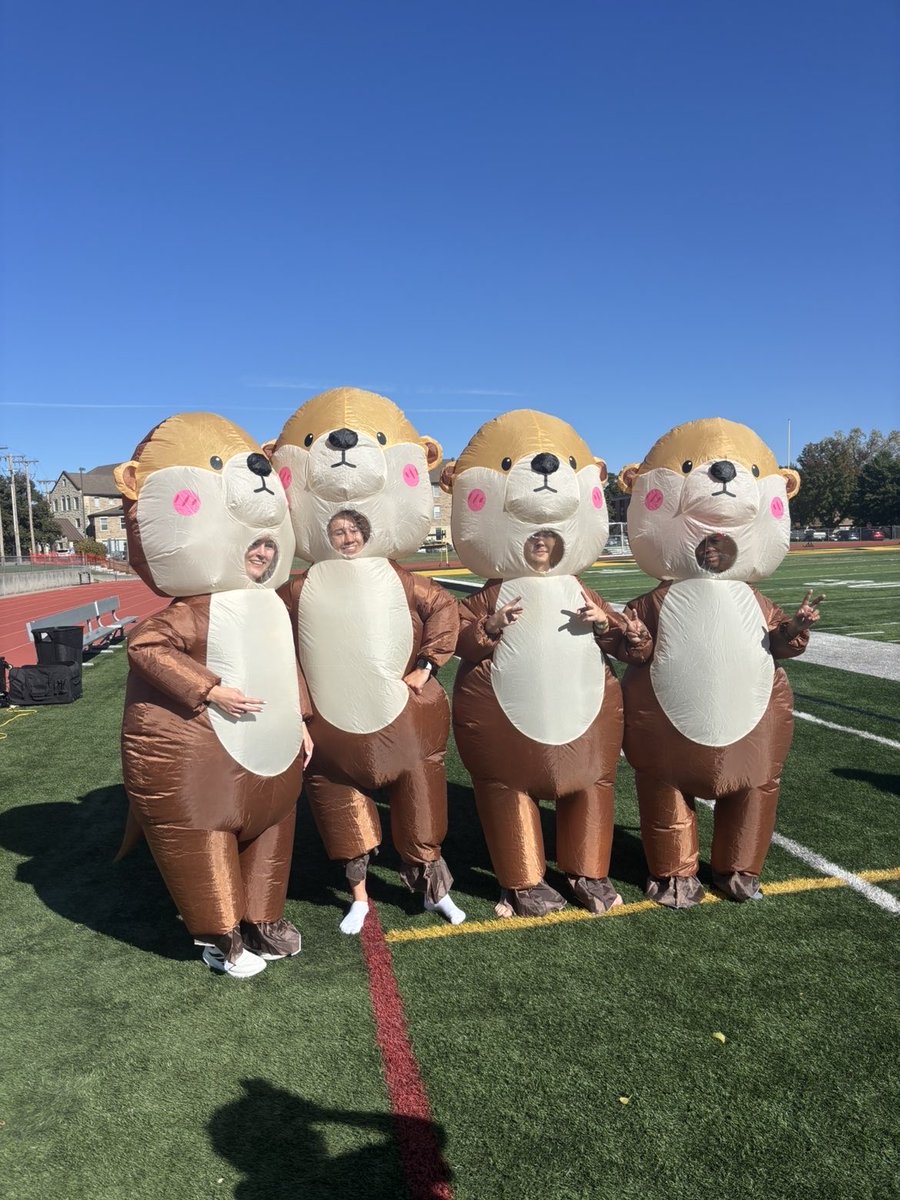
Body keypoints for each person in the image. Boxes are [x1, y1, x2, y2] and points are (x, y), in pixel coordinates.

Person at [282, 508, 465, 934]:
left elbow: (444, 607)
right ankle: (360, 899)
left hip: (401, 719)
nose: (345, 537)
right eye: (337, 531)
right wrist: (299, 712)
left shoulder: (397, 577)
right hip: (333, 726)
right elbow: (277, 641)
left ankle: (435, 892)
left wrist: (427, 665)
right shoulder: (299, 588)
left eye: (351, 530)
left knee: (422, 808)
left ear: (365, 534)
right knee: (344, 814)